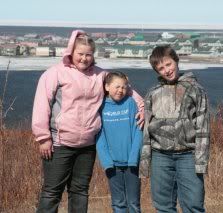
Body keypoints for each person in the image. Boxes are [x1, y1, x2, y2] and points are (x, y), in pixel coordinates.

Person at [32, 30, 144, 213]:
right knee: (52, 192)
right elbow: (41, 105)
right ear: (71, 52)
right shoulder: (55, 73)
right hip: (60, 143)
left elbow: (127, 90)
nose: (84, 58)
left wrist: (142, 108)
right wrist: (43, 137)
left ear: (93, 55)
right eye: (80, 54)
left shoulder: (101, 76)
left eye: (88, 55)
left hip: (87, 145)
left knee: (80, 192)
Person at [139, 45, 210, 213]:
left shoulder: (195, 90)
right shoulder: (153, 93)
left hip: (188, 156)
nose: (166, 70)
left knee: (193, 205)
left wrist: (201, 163)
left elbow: (203, 128)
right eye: (161, 68)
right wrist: (145, 162)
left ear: (176, 61)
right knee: (163, 206)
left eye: (168, 64)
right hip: (160, 156)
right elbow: (147, 131)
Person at [96, 71, 142, 213]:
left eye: (124, 87)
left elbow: (138, 131)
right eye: (117, 87)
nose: (121, 90)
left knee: (133, 203)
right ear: (107, 87)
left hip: (131, 164)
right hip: (113, 165)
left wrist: (134, 158)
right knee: (118, 203)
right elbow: (99, 136)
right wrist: (106, 161)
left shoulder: (130, 103)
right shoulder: (101, 107)